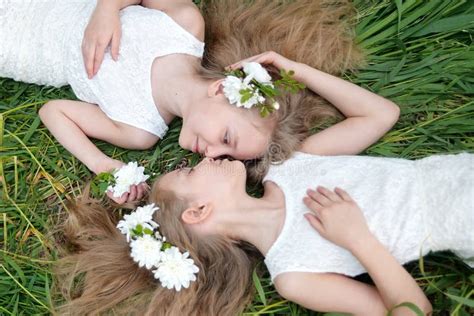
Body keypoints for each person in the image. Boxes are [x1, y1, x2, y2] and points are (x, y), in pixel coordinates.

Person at [0, 0, 399, 203]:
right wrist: (106, 9)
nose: (210, 152)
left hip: (21, 47)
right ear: (223, 88)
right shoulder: (183, 26)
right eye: (226, 136)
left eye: (225, 155)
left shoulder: (139, 129)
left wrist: (102, 164)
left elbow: (54, 112)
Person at [56, 151, 473, 315]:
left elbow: (380, 115)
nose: (204, 157)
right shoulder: (295, 274)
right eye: (190, 170)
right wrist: (359, 239)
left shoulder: (287, 169)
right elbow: (410, 312)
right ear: (198, 211)